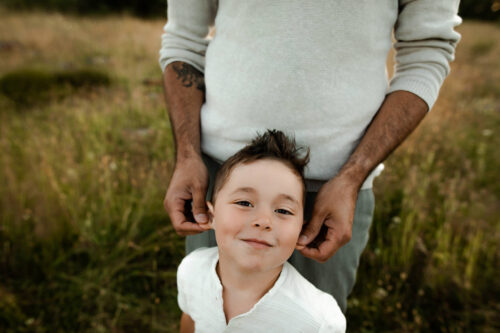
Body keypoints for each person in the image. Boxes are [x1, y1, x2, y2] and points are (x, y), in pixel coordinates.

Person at [160, 1, 462, 312]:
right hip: (221, 180)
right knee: (206, 308)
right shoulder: (194, 271)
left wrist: (352, 177)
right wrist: (187, 156)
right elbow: (184, 42)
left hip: (335, 192)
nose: (264, 222)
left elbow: (427, 54)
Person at [177, 130, 345, 333]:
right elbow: (190, 321)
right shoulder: (192, 270)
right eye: (244, 203)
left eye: (283, 210)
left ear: (302, 230)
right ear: (210, 215)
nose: (264, 221)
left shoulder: (319, 320)